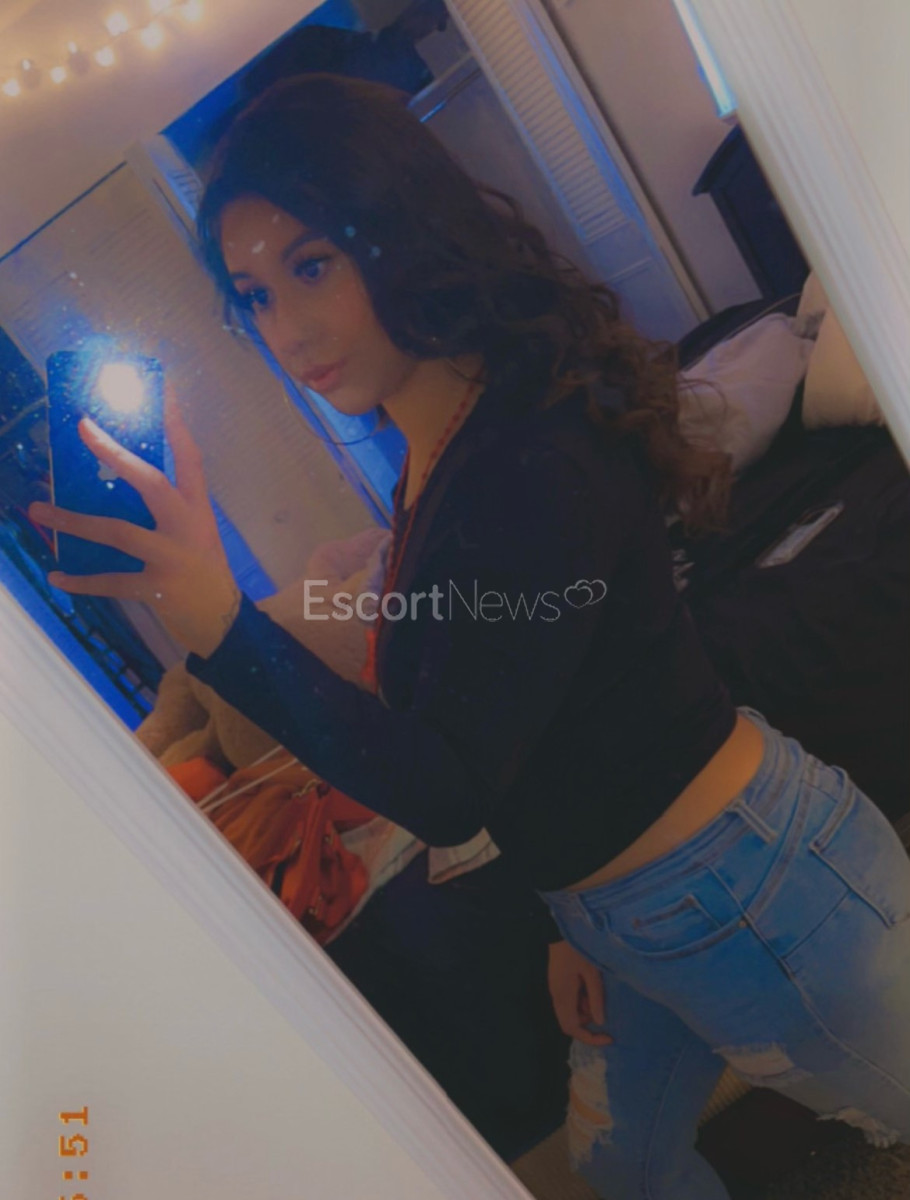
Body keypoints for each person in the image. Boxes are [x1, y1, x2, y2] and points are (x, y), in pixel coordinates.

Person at [29, 74, 910, 1198]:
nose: (288, 330)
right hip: (627, 913)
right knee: (624, 1166)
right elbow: (526, 709)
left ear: (396, 230)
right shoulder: (438, 448)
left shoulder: (526, 456)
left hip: (753, 897)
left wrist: (220, 622)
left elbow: (444, 785)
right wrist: (568, 918)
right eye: (253, 295)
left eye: (312, 267)